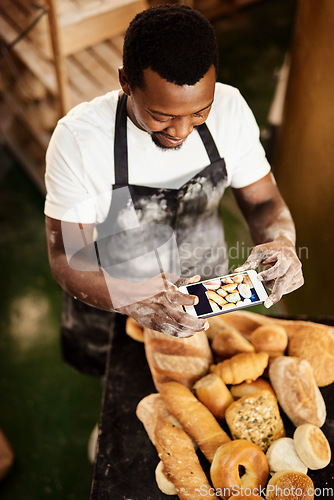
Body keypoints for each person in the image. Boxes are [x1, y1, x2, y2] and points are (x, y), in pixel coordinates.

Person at [44, 4, 303, 377]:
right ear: (125, 82)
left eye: (199, 113)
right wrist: (133, 299)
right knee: (123, 389)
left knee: (196, 382)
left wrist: (281, 241)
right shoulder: (79, 141)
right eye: (161, 116)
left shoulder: (231, 110)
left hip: (201, 294)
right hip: (111, 301)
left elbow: (263, 201)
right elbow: (65, 258)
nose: (181, 131)